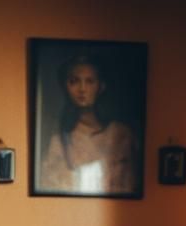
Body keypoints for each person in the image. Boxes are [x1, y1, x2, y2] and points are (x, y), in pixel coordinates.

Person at [39, 53, 139, 195]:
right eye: (74, 81)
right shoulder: (58, 142)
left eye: (90, 81)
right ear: (65, 86)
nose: (82, 89)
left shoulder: (122, 134)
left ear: (101, 86)